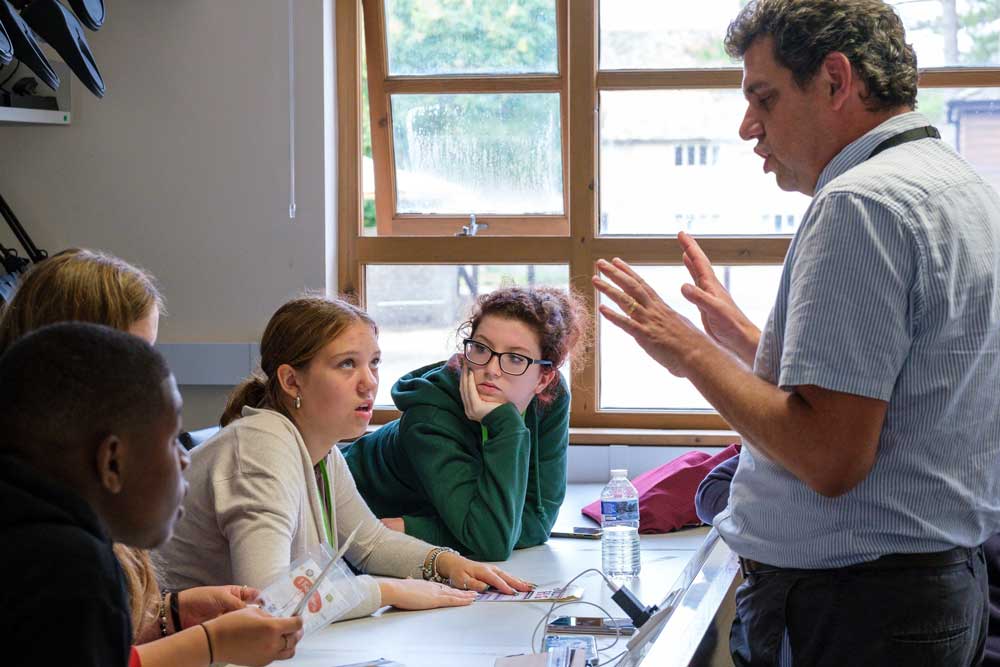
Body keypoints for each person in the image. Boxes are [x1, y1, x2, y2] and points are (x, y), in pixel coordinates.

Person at [591, 1, 1000, 664]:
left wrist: (688, 351)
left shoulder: (860, 204)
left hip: (856, 610)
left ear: (836, 81)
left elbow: (828, 456)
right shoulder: (960, 187)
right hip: (927, 590)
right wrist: (743, 342)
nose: (749, 125)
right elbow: (887, 395)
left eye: (764, 96)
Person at [0, 248, 302, 666]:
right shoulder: (62, 562)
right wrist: (209, 645)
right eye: (133, 357)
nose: (183, 457)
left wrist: (170, 614)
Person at [156, 295, 534, 617]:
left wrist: (448, 563)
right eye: (347, 364)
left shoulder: (318, 447)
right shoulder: (261, 449)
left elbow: (370, 543)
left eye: (374, 363)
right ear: (291, 381)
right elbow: (269, 599)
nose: (369, 381)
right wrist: (387, 593)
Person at [344, 286, 588, 561]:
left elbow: (538, 523)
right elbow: (492, 543)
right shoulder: (429, 415)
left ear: (543, 379)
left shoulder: (550, 397)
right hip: (337, 509)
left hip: (399, 530)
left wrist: (417, 529)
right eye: (481, 349)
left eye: (515, 358)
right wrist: (506, 425)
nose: (491, 370)